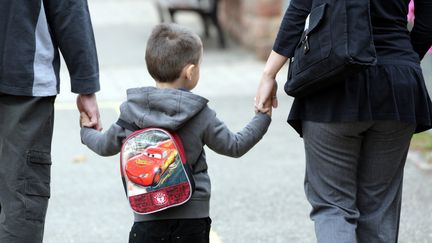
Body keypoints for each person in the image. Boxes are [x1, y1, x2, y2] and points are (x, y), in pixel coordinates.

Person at [256, 0, 432, 242]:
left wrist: (269, 74)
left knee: (333, 207)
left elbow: (299, 9)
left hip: (332, 81)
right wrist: (403, 61)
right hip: (397, 86)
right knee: (379, 210)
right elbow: (427, 21)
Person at [79, 23, 271, 243]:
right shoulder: (200, 114)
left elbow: (104, 146)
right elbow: (235, 146)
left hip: (146, 217)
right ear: (190, 72)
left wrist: (87, 130)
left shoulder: (132, 111)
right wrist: (262, 117)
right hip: (192, 220)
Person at [0, 0, 101, 242]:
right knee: (22, 199)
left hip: (25, 79)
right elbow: (69, 7)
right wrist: (86, 86)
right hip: (25, 74)